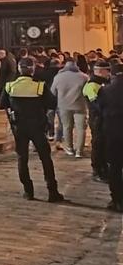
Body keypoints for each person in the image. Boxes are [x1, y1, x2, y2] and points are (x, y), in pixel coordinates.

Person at [0, 58, 63, 202]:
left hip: (19, 127)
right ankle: (52, 192)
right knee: (45, 158)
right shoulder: (39, 86)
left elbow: (1, 104)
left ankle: (28, 191)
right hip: (37, 126)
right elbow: (52, 104)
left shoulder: (10, 86)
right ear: (32, 69)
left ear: (19, 69)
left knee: (22, 158)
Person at [95, 67, 123, 211]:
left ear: (112, 75)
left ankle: (117, 200)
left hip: (113, 133)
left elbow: (99, 109)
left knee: (115, 167)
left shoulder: (105, 90)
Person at [49, 58, 89, 157]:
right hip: (80, 105)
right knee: (81, 128)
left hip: (64, 106)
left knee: (67, 127)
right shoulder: (84, 77)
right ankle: (79, 151)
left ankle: (69, 149)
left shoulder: (58, 77)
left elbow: (52, 92)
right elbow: (87, 92)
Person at [85, 61, 112, 181]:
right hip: (97, 119)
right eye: (108, 71)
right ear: (100, 71)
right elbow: (96, 104)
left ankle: (104, 167)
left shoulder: (104, 83)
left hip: (105, 118)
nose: (109, 73)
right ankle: (97, 171)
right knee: (98, 144)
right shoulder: (91, 85)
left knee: (105, 144)